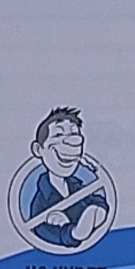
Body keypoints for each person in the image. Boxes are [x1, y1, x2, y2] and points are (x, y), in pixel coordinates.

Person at [28, 106, 109, 247]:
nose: (70, 141)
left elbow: (94, 199)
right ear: (38, 149)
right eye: (58, 134)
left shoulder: (77, 186)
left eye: (74, 133)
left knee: (96, 206)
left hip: (84, 232)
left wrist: (98, 209)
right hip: (62, 238)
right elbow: (40, 229)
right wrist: (68, 229)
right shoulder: (42, 198)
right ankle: (75, 232)